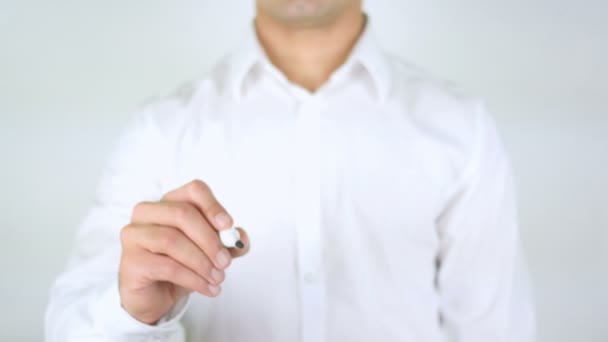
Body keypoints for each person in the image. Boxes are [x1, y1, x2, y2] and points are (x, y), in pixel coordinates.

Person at [45, 1, 536, 341]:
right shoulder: (160, 130)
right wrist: (132, 311)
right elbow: (69, 326)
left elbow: (497, 330)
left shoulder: (461, 129)